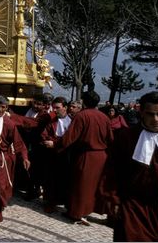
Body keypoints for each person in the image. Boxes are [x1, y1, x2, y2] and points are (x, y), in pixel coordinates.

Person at [99, 92, 158, 241]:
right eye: (150, 114)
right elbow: (111, 171)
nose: (156, 119)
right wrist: (113, 199)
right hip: (134, 206)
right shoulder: (127, 137)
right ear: (141, 112)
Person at [57, 90, 113, 225]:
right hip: (102, 155)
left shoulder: (82, 116)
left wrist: (57, 145)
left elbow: (71, 136)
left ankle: (77, 213)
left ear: (84, 102)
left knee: (81, 185)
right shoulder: (104, 117)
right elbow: (111, 138)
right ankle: (93, 210)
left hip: (86, 155)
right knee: (96, 185)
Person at [0, 95, 30, 223]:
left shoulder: (9, 124)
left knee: (0, 185)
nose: (0, 109)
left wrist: (24, 157)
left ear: (7, 108)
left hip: (3, 158)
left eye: (3, 107)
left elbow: (18, 143)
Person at [40, 96, 72, 213]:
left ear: (65, 107)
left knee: (64, 179)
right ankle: (50, 202)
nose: (55, 110)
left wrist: (55, 143)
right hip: (52, 155)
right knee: (51, 179)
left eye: (58, 108)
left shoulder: (72, 122)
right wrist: (47, 141)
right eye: (54, 108)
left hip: (66, 155)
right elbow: (44, 134)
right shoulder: (52, 122)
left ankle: (64, 201)